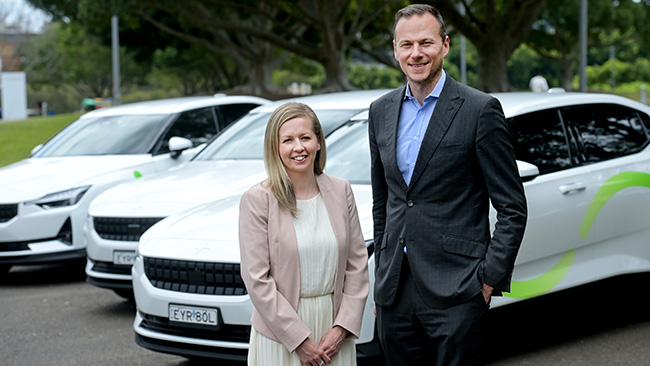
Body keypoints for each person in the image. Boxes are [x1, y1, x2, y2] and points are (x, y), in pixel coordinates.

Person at [368, 4, 527, 366]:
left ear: (445, 45)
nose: (416, 53)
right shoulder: (380, 111)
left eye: (426, 42)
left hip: (459, 290)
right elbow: (385, 204)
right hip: (395, 291)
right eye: (406, 45)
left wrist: (487, 280)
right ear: (395, 50)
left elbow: (513, 207)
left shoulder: (479, 109)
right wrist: (382, 281)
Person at [239, 102, 369, 366]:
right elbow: (256, 278)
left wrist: (341, 328)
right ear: (275, 148)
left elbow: (357, 266)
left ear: (318, 142)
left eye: (305, 137)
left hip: (334, 331)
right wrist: (299, 340)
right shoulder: (258, 199)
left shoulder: (341, 190)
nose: (298, 147)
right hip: (281, 334)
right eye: (287, 140)